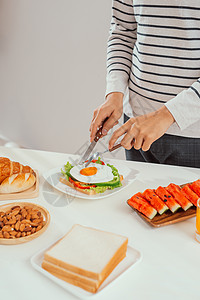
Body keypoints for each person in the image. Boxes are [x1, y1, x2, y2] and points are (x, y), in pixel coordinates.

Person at [89, 0, 200, 168]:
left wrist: (167, 114)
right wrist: (115, 92)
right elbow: (123, 32)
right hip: (135, 124)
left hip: (193, 133)